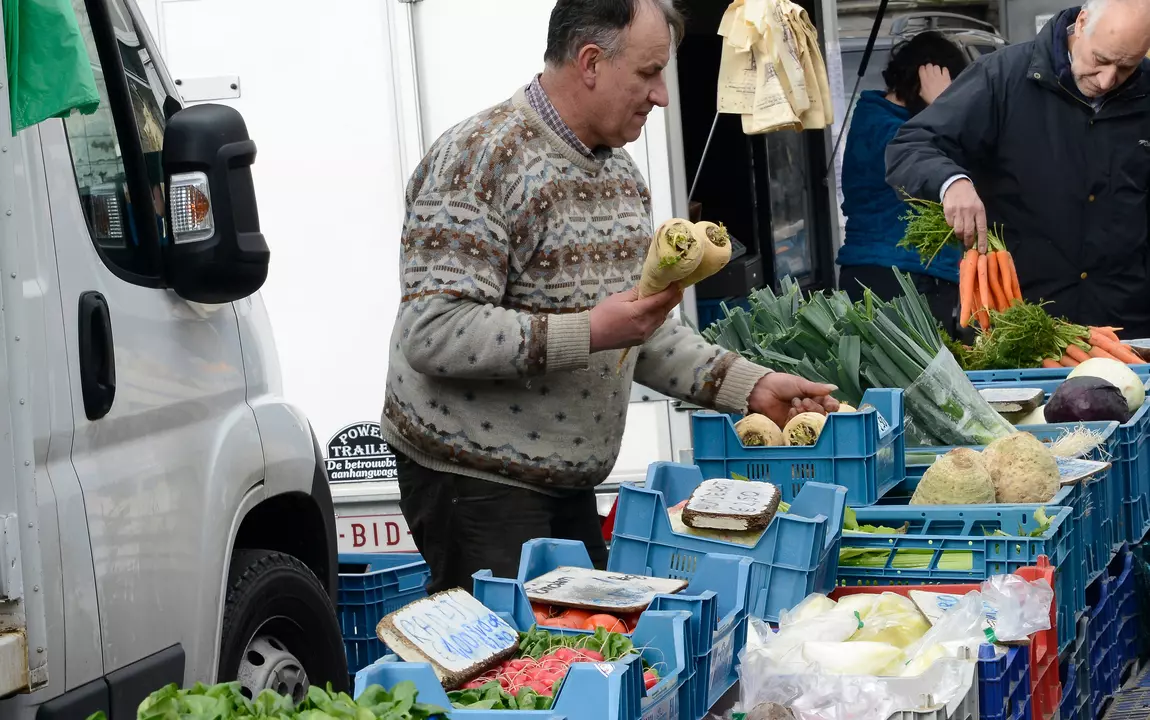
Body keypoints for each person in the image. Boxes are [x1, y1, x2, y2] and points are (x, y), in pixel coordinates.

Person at [382, 0, 839, 595]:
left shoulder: (622, 177)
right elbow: (433, 331)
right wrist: (593, 330)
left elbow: (638, 328)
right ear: (591, 62)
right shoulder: (481, 161)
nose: (662, 96)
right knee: (523, 673)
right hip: (473, 479)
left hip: (565, 482)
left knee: (582, 652)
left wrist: (749, 386)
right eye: (649, 74)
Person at [886, 0, 1150, 337]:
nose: (1108, 78)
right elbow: (912, 145)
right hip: (1018, 322)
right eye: (1101, 60)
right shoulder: (1002, 77)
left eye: (1127, 67)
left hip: (1126, 326)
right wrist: (951, 182)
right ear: (1082, 23)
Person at [836, 32, 969, 335]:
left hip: (903, 273)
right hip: (895, 278)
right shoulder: (885, 127)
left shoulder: (889, 119)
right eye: (953, 90)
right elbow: (948, 162)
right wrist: (943, 105)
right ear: (924, 81)